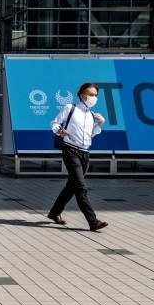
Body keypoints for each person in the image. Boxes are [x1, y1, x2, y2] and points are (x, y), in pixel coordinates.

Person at [48, 82, 108, 232]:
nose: (93, 97)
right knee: (81, 188)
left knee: (72, 186)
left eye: (95, 95)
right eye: (90, 94)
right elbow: (54, 123)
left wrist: (99, 124)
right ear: (81, 95)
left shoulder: (92, 115)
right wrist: (59, 131)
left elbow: (91, 134)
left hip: (85, 153)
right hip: (70, 150)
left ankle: (54, 213)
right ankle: (93, 221)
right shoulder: (71, 108)